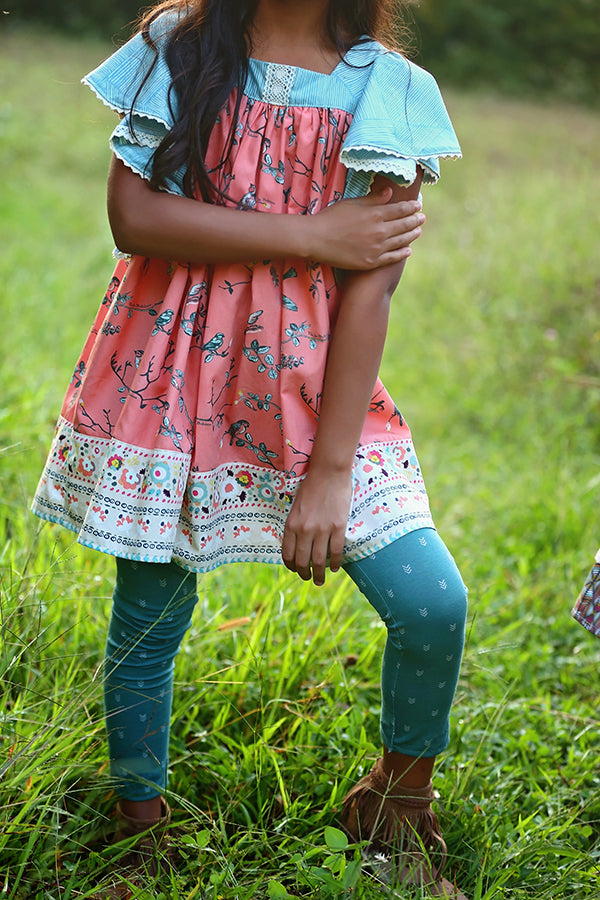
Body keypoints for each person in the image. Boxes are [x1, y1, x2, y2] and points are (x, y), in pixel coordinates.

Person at [32, 0, 468, 895]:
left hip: (312, 395)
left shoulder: (392, 91)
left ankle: (397, 803)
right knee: (150, 614)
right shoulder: (180, 45)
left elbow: (371, 293)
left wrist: (332, 471)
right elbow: (133, 218)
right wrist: (311, 235)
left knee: (432, 604)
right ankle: (137, 834)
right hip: (168, 377)